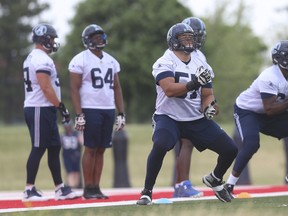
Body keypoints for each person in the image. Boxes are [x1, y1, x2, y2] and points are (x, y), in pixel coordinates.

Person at [136, 23, 238, 205]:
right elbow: (169, 89)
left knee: (230, 149)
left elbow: (207, 94)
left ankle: (215, 179)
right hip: (169, 116)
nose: (189, 42)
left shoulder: (201, 62)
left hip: (194, 118)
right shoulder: (164, 61)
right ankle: (147, 192)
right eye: (185, 38)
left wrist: (210, 107)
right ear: (173, 41)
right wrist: (193, 83)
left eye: (191, 38)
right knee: (161, 144)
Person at [22, 23, 79, 201]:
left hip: (45, 108)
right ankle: (29, 189)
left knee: (54, 147)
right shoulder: (41, 59)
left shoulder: (38, 57)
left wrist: (56, 107)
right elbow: (45, 87)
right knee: (38, 148)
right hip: (39, 107)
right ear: (44, 39)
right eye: (52, 38)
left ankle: (60, 188)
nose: (54, 42)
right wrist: (61, 106)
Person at [69, 24, 126, 199]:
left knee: (101, 149)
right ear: (87, 40)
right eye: (95, 37)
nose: (99, 39)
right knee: (91, 148)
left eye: (101, 36)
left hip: (108, 109)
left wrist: (121, 113)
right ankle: (88, 188)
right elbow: (74, 88)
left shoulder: (111, 60)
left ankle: (96, 187)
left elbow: (116, 87)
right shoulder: (80, 60)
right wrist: (79, 114)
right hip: (90, 108)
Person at [225, 40, 288, 195]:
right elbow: (270, 108)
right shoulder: (269, 76)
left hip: (271, 111)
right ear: (279, 58)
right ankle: (229, 185)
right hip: (248, 111)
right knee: (252, 144)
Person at [172, 17, 208, 198]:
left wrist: (208, 104)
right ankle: (181, 184)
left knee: (185, 145)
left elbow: (207, 85)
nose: (196, 40)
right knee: (184, 143)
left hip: (189, 106)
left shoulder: (198, 56)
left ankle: (180, 184)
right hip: (176, 107)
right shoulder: (176, 54)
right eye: (193, 36)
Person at [60, 122, 83, 189]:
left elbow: (82, 142)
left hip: (76, 155)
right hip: (67, 156)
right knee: (70, 172)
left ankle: (76, 185)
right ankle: (71, 186)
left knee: (76, 171)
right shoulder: (63, 135)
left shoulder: (76, 134)